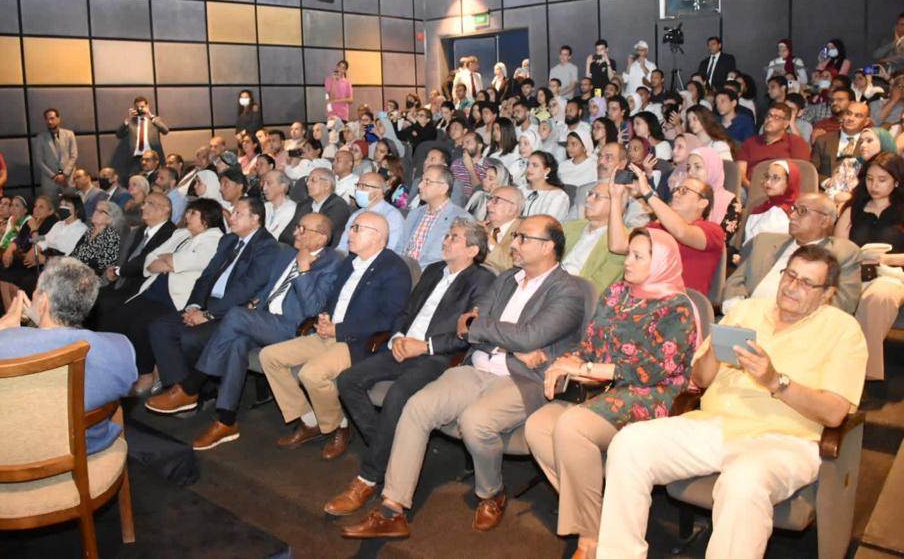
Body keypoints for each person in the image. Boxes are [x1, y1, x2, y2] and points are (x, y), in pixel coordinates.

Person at [598, 246, 867, 559]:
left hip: (784, 440)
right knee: (629, 443)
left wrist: (775, 382)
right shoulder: (747, 310)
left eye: (807, 283)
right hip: (714, 425)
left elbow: (834, 413)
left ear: (828, 293)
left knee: (744, 480)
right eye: (790, 275)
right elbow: (700, 378)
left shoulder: (843, 331)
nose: (792, 287)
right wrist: (714, 352)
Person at [341, 215, 587, 539]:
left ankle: (492, 492)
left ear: (548, 247)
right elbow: (466, 325)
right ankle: (392, 510)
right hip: (477, 367)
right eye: (515, 236)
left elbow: (527, 335)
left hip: (523, 379)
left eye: (523, 238)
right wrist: (509, 343)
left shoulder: (569, 291)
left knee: (475, 422)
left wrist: (490, 332)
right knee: (417, 406)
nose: (513, 244)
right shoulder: (507, 278)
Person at [526, 227, 698, 558]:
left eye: (638, 256)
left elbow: (654, 369)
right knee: (538, 426)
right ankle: (603, 519)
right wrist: (566, 363)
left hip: (653, 393)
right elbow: (590, 344)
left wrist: (589, 369)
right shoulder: (618, 291)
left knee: (571, 427)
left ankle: (590, 538)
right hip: (602, 387)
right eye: (628, 253)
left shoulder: (676, 306)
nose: (627, 261)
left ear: (660, 262)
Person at [325, 219, 496, 515]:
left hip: (439, 356)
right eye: (447, 235)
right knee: (349, 380)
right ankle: (388, 448)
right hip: (403, 346)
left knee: (399, 395)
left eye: (454, 237)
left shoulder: (482, 280)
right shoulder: (433, 271)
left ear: (472, 250)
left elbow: (470, 331)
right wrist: (398, 337)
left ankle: (368, 477)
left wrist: (426, 346)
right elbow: (405, 311)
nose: (445, 240)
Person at [146, 213, 342, 448]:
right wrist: (254, 303)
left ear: (321, 238)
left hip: (296, 328)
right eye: (297, 227)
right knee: (237, 342)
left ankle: (191, 386)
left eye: (303, 229)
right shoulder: (287, 254)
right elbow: (270, 289)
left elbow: (314, 309)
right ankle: (226, 420)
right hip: (266, 319)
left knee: (235, 315)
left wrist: (304, 269)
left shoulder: (333, 262)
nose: (295, 232)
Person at [0, 258, 138, 482]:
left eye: (35, 292)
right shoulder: (120, 348)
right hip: (87, 451)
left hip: (13, 464)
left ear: (42, 301)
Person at [261, 212, 412, 460]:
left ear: (377, 237)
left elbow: (389, 319)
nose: (349, 233)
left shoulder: (394, 269)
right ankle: (310, 421)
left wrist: (339, 330)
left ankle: (339, 426)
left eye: (357, 228)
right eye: (351, 227)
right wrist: (324, 317)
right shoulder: (349, 262)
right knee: (270, 357)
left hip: (359, 342)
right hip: (328, 333)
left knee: (312, 374)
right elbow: (332, 299)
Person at [99, 198, 223, 393]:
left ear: (206, 218)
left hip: (175, 297)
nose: (187, 216)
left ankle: (146, 374)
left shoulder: (214, 238)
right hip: (153, 288)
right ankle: (119, 369)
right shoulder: (181, 233)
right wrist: (168, 262)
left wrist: (169, 261)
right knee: (117, 316)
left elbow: (189, 261)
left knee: (140, 323)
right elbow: (150, 259)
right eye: (188, 212)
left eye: (193, 213)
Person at [722, 192, 860, 315]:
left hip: (801, 327)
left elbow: (843, 303)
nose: (792, 216)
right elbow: (736, 281)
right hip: (748, 318)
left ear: (824, 221)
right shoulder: (764, 242)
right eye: (793, 209)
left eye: (802, 211)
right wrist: (737, 310)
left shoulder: (843, 253)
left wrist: (790, 318)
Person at [833, 153, 904, 379]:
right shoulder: (853, 208)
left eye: (882, 180)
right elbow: (838, 249)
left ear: (897, 181)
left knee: (878, 296)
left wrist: (885, 260)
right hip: (854, 273)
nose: (874, 185)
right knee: (829, 294)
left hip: (891, 276)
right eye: (870, 179)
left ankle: (859, 372)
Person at [610, 167, 724, 297]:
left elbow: (682, 232)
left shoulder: (712, 231)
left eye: (684, 191)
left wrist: (648, 193)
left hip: (678, 303)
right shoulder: (658, 227)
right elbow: (617, 245)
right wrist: (615, 198)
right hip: (642, 297)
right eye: (676, 190)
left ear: (702, 203)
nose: (675, 194)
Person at [0, 196, 59, 326]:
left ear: (50, 211)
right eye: (35, 206)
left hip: (34, 265)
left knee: (1, 276)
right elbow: (18, 239)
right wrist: (9, 250)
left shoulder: (52, 223)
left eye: (41, 207)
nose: (36, 209)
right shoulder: (32, 221)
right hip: (21, 260)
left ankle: (10, 318)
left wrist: (34, 229)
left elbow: (40, 243)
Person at [96, 192, 176, 317]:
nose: (143, 207)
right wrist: (114, 272)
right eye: (144, 203)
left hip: (141, 288)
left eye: (150, 204)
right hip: (122, 282)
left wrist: (118, 271)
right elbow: (126, 257)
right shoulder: (140, 230)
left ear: (165, 210)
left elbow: (145, 261)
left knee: (103, 304)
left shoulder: (170, 233)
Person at [398, 166, 471, 269]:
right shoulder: (414, 214)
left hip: (431, 275)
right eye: (422, 180)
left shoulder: (461, 219)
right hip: (402, 270)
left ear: (443, 188)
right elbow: (399, 247)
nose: (419, 185)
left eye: (427, 181)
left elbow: (457, 260)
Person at [560, 183, 627, 295]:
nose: (588, 199)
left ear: (616, 205)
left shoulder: (622, 241)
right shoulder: (570, 227)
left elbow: (597, 286)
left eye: (597, 197)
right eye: (590, 194)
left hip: (575, 295)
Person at [736, 102, 811, 188]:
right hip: (751, 187)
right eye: (768, 116)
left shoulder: (796, 143)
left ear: (786, 124)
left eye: (776, 117)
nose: (770, 119)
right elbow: (740, 174)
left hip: (782, 189)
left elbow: (801, 173)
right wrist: (752, 188)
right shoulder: (750, 143)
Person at [279, 168, 352, 248]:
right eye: (307, 180)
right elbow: (286, 235)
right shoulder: (304, 205)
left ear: (327, 185)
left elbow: (319, 238)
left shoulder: (338, 206)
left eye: (313, 180)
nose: (307, 184)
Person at [338, 172, 404, 253]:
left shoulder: (392, 216)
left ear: (379, 191)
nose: (358, 190)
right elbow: (342, 246)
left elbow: (388, 250)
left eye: (363, 186)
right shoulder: (356, 215)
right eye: (358, 185)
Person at [743, 160, 800, 247]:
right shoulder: (763, 206)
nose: (768, 182)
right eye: (767, 177)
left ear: (790, 182)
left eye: (775, 178)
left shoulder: (791, 214)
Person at [811, 99, 870, 182]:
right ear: (843, 116)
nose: (851, 118)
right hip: (825, 188)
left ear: (866, 122)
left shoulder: (870, 145)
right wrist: (828, 182)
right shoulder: (823, 140)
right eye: (848, 113)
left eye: (858, 116)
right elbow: (811, 172)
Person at [115, 96, 168, 179]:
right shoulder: (131, 122)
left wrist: (150, 116)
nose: (140, 109)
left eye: (142, 107)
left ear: (147, 106)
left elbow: (165, 130)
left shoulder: (154, 120)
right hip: (136, 159)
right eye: (137, 107)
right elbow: (119, 134)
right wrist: (128, 120)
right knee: (135, 180)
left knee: (155, 179)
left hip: (152, 157)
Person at [33, 108, 77, 200]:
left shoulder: (69, 134)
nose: (49, 121)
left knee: (70, 205)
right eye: (47, 119)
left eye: (52, 118)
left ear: (58, 119)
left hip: (67, 180)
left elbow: (74, 156)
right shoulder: (40, 138)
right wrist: (54, 176)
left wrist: (64, 174)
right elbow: (39, 160)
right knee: (50, 206)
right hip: (50, 182)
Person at [522, 151, 570, 221]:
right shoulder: (520, 189)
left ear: (546, 171)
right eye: (528, 165)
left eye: (535, 165)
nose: (528, 169)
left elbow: (548, 223)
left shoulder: (558, 196)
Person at [466, 158, 512, 223]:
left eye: (491, 179)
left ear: (501, 182)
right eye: (485, 176)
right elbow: (463, 215)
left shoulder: (505, 205)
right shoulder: (479, 195)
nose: (484, 180)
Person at [262, 170, 296, 239]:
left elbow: (276, 238)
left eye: (269, 183)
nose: (264, 188)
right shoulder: (266, 206)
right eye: (263, 183)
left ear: (282, 187)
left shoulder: (291, 209)